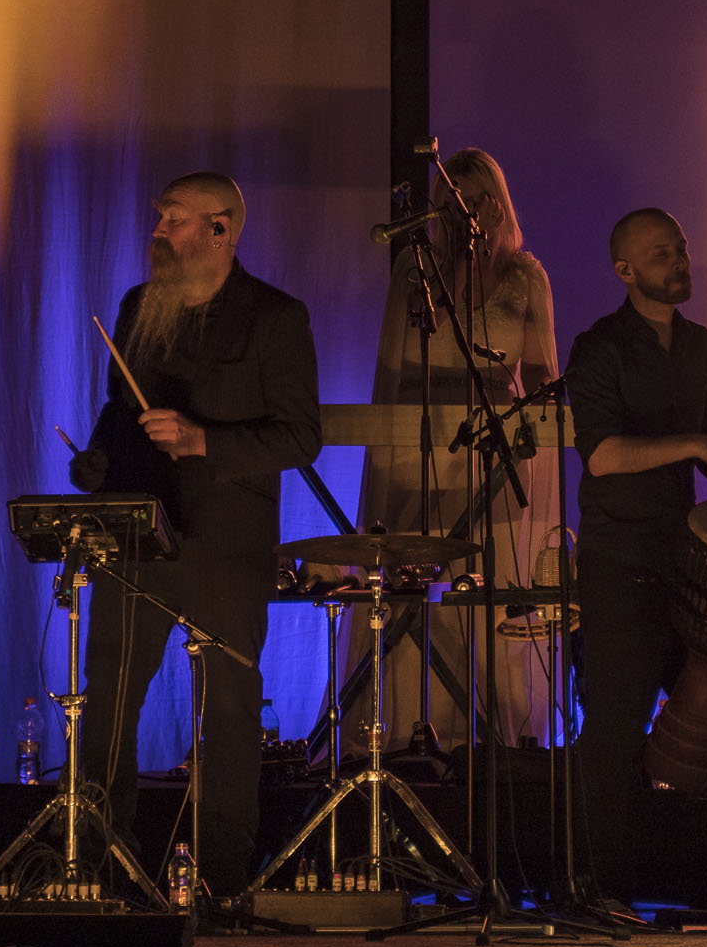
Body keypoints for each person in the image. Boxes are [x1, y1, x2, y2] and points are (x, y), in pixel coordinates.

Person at [70, 172, 321, 897]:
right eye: (159, 219)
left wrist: (204, 442)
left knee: (230, 710)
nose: (158, 232)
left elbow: (303, 436)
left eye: (174, 220)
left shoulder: (275, 317)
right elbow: (122, 412)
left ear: (222, 229)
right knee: (110, 694)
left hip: (225, 539)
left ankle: (222, 876)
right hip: (140, 535)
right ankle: (103, 866)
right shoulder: (138, 306)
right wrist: (96, 459)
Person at [563, 207, 707, 904]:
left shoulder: (701, 345)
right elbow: (602, 455)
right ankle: (601, 886)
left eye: (681, 248)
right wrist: (696, 447)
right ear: (626, 272)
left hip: (683, 556)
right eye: (661, 254)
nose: (679, 262)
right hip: (621, 558)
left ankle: (706, 877)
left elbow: (705, 434)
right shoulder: (600, 348)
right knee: (616, 726)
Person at [335, 148, 560, 752]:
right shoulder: (418, 269)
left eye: (476, 198)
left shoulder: (525, 277)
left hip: (491, 451)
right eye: (450, 200)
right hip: (421, 446)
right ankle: (406, 729)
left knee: (481, 592)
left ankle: (485, 736)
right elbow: (392, 368)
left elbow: (540, 379)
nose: (464, 213)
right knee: (417, 587)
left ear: (497, 202)